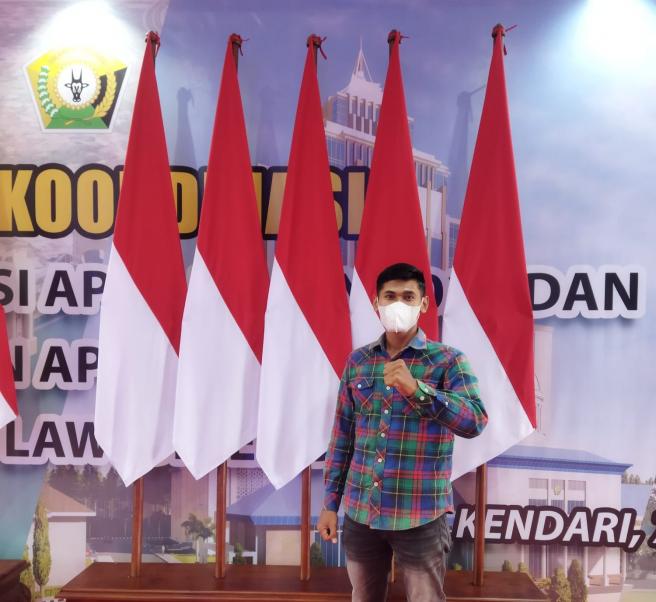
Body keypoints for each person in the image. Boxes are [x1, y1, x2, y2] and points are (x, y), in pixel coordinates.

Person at [317, 262, 488, 602]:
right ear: (376, 302)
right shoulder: (358, 362)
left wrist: (418, 390)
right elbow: (342, 437)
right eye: (390, 296)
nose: (398, 304)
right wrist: (330, 503)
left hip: (420, 515)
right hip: (362, 513)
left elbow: (475, 420)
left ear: (423, 304)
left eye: (408, 297)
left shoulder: (448, 361)